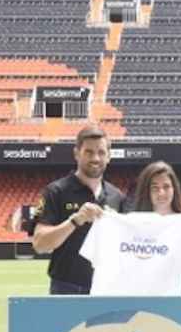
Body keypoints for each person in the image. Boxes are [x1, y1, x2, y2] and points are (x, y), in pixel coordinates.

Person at [79, 161, 181, 296]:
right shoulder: (129, 226)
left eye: (166, 187)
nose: (161, 192)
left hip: (174, 310)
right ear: (147, 191)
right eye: (155, 188)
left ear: (174, 189)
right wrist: (104, 219)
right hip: (136, 306)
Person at [32, 125, 128, 295]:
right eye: (89, 152)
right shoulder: (55, 191)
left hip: (107, 288)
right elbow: (40, 244)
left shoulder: (117, 196)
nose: (95, 158)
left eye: (101, 152)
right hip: (66, 288)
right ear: (77, 153)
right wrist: (75, 220)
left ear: (109, 156)